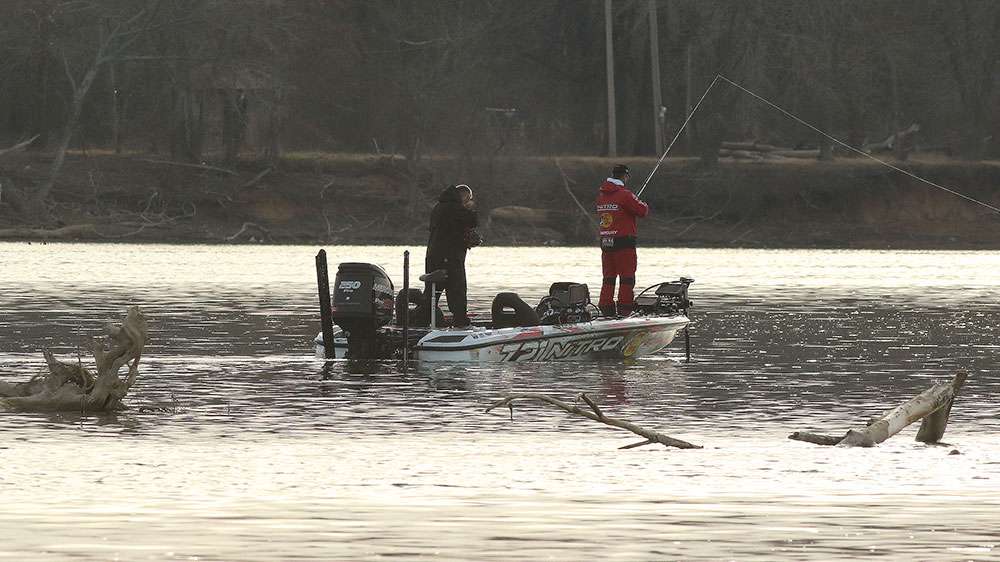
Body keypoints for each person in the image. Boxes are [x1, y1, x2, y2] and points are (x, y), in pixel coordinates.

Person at [595, 164, 648, 317]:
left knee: (609, 278)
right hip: (624, 243)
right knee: (627, 278)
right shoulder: (625, 195)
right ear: (625, 177)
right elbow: (642, 211)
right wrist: (640, 201)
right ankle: (625, 310)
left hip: (606, 242)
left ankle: (606, 308)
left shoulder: (601, 197)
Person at [424, 184, 480, 327]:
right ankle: (461, 322)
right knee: (457, 288)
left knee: (432, 291)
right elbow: (473, 221)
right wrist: (470, 209)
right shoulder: (454, 208)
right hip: (450, 258)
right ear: (463, 196)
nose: (469, 201)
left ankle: (422, 318)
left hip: (434, 256)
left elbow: (452, 230)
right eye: (468, 198)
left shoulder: (439, 207)